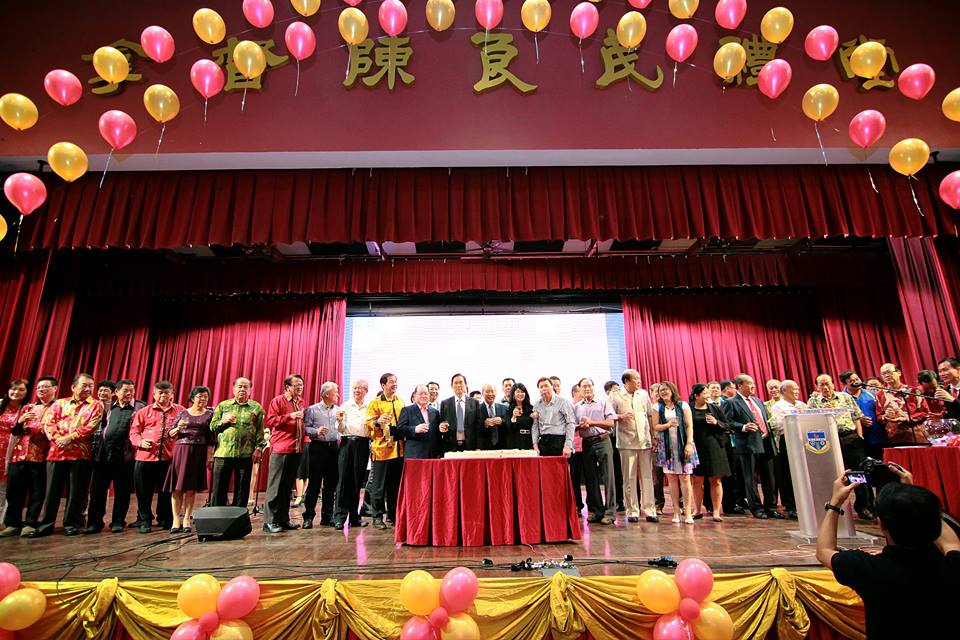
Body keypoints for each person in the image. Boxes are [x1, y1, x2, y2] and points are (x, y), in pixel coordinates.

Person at [816, 465, 960, 639]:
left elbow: (824, 551)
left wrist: (835, 503)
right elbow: (951, 543)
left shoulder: (870, 569)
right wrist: (914, 497)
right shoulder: (953, 566)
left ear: (882, 525)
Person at [33, 373, 103, 537]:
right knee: (51, 491)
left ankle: (71, 524)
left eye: (90, 386)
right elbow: (49, 424)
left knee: (76, 492)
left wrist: (69, 438)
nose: (88, 389)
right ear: (73, 387)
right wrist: (58, 439)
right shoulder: (59, 403)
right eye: (84, 385)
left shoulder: (95, 405)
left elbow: (91, 426)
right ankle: (46, 524)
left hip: (80, 455)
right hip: (56, 452)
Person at [85, 379, 144, 534]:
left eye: (132, 390)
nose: (129, 393)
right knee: (97, 492)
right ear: (116, 392)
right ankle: (94, 523)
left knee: (122, 492)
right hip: (103, 456)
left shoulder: (139, 407)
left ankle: (118, 522)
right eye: (125, 390)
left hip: (125, 458)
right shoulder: (107, 407)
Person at [128, 381, 183, 534]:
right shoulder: (143, 412)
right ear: (154, 395)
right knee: (143, 492)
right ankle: (145, 519)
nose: (163, 395)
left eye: (167, 393)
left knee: (166, 491)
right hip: (145, 458)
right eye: (160, 393)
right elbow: (134, 432)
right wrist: (140, 442)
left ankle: (165, 518)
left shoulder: (180, 411)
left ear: (172, 394)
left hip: (168, 458)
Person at [723, 373, 780, 519]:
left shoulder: (757, 401)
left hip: (766, 442)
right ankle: (757, 508)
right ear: (739, 386)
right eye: (749, 383)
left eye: (753, 383)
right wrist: (743, 427)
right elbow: (726, 422)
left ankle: (771, 507)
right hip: (748, 444)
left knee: (770, 477)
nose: (753, 386)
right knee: (751, 478)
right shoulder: (731, 402)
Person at [2, 377, 53, 538]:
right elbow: (15, 432)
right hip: (19, 455)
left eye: (45, 387)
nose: (41, 390)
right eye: (39, 387)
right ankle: (12, 524)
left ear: (54, 389)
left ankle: (30, 523)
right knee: (14, 491)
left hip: (41, 455)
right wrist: (21, 421)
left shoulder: (57, 407)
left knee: (37, 493)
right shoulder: (27, 407)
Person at [161, 385, 212, 533]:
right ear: (192, 398)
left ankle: (187, 519)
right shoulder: (183, 413)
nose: (203, 399)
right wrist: (178, 428)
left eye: (205, 396)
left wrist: (209, 456)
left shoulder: (210, 415)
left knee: (191, 488)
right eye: (200, 396)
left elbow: (211, 438)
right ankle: (176, 519)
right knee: (177, 488)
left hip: (198, 452)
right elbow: (169, 434)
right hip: (181, 450)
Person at [610, 369, 658, 523]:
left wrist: (653, 435)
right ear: (626, 381)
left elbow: (649, 415)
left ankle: (650, 510)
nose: (639, 381)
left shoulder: (643, 394)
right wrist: (620, 416)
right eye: (635, 379)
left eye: (639, 378)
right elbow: (609, 416)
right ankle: (632, 511)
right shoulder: (616, 395)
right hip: (626, 442)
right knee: (629, 477)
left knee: (647, 476)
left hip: (644, 440)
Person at [209, 377, 265, 508]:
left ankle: (239, 517)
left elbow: (260, 431)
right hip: (223, 453)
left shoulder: (256, 407)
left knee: (242, 490)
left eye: (246, 387)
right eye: (239, 387)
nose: (242, 389)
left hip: (245, 454)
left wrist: (259, 449)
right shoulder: (223, 406)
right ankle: (217, 515)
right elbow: (212, 427)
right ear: (233, 389)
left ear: (250, 390)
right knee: (219, 489)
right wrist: (224, 421)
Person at [263, 374, 307, 533]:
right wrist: (290, 416)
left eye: (301, 385)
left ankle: (283, 519)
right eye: (296, 385)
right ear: (287, 387)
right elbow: (270, 421)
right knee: (275, 487)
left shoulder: (300, 402)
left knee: (287, 487)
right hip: (281, 448)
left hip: (296, 449)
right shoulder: (278, 401)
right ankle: (269, 521)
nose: (300, 387)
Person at [650, 381, 698, 525]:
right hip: (667, 447)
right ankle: (676, 511)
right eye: (661, 390)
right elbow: (656, 427)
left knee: (685, 478)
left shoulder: (683, 405)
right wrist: (668, 425)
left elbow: (689, 426)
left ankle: (687, 511)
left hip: (683, 445)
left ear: (672, 390)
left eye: (665, 389)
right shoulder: (657, 407)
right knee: (671, 479)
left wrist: (689, 443)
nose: (663, 392)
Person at [573, 379, 617, 525]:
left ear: (593, 387)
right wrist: (580, 426)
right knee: (591, 479)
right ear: (579, 389)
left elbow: (611, 423)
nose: (587, 388)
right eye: (584, 386)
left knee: (608, 477)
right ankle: (598, 511)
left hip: (603, 440)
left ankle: (610, 513)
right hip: (587, 443)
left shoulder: (603, 402)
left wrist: (592, 422)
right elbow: (573, 427)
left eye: (589, 386)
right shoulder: (576, 407)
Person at [365, 373, 405, 530]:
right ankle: (377, 516)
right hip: (381, 450)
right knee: (378, 486)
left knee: (395, 486)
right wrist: (377, 421)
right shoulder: (375, 403)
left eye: (396, 382)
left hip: (399, 450)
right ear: (383, 385)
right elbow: (367, 423)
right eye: (391, 382)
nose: (394, 384)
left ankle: (393, 515)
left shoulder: (400, 401)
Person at [301, 381, 342, 530]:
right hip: (318, 448)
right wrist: (316, 431)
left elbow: (341, 429)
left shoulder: (339, 410)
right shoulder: (312, 410)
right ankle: (308, 517)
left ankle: (327, 517)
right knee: (314, 484)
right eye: (335, 392)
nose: (338, 395)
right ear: (326, 394)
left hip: (334, 449)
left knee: (331, 485)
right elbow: (305, 428)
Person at [689, 383, 731, 522]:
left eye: (708, 393)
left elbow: (727, 426)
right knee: (697, 480)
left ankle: (716, 511)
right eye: (704, 393)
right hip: (696, 447)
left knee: (715, 480)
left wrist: (716, 422)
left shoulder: (714, 408)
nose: (707, 396)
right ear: (696, 396)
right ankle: (697, 510)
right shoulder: (689, 408)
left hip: (714, 447)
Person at [333, 380, 370, 530]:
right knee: (343, 480)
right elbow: (340, 429)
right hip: (347, 443)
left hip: (363, 444)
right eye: (355, 388)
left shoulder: (370, 407)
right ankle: (339, 518)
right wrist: (340, 422)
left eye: (360, 388)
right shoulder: (345, 406)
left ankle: (354, 517)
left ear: (366, 391)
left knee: (357, 480)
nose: (357, 391)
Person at [767, 379, 805, 519]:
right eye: (793, 389)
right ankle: (791, 505)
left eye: (797, 388)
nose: (797, 391)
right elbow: (779, 425)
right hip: (788, 440)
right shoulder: (778, 406)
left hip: (804, 440)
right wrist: (797, 417)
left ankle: (805, 502)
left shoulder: (802, 405)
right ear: (784, 391)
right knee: (789, 474)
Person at [876, 362, 926, 445]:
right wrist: (885, 416)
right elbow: (878, 416)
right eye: (883, 374)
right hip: (893, 437)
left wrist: (906, 418)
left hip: (915, 434)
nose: (887, 375)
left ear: (899, 373)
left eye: (889, 372)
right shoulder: (880, 394)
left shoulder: (913, 391)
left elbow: (925, 413)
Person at [840, 371, 885, 460]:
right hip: (856, 441)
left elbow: (881, 411)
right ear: (845, 384)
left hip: (876, 437)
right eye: (852, 381)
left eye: (857, 379)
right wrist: (859, 420)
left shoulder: (872, 394)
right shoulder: (841, 398)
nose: (856, 382)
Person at [531, 377, 576, 457]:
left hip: (559, 441)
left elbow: (571, 423)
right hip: (543, 442)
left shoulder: (563, 402)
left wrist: (568, 446)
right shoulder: (537, 404)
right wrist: (535, 445)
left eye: (546, 386)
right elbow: (535, 426)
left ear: (552, 387)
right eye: (541, 387)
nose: (544, 389)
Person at [439, 374, 482, 451]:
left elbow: (478, 426)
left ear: (466, 385)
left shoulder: (474, 403)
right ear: (451, 386)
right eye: (455, 383)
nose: (458, 385)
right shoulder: (445, 403)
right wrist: (441, 426)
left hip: (470, 445)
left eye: (461, 382)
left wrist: (478, 446)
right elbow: (441, 422)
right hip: (450, 445)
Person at [397, 385, 442, 459]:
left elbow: (437, 435)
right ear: (415, 395)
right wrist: (415, 429)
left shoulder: (435, 412)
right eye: (421, 393)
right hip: (415, 454)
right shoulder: (407, 410)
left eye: (426, 393)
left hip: (432, 455)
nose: (423, 396)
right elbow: (400, 429)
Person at [0, 379, 29, 485]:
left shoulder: (27, 409)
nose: (16, 392)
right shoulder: (0, 404)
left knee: (3, 485)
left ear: (27, 392)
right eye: (14, 389)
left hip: (11, 449)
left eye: (21, 390)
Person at [503, 382, 534, 450]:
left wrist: (518, 420)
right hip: (514, 442)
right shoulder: (508, 409)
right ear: (513, 394)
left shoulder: (531, 408)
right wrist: (514, 417)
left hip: (528, 441)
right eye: (518, 392)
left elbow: (532, 424)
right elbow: (508, 427)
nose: (520, 394)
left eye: (522, 392)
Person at [478, 384, 508, 450]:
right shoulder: (477, 409)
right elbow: (473, 427)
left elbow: (509, 425)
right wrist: (484, 424)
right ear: (482, 393)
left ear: (496, 393)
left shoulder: (504, 408)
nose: (490, 394)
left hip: (502, 446)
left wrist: (502, 421)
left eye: (492, 391)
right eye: (487, 391)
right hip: (484, 446)